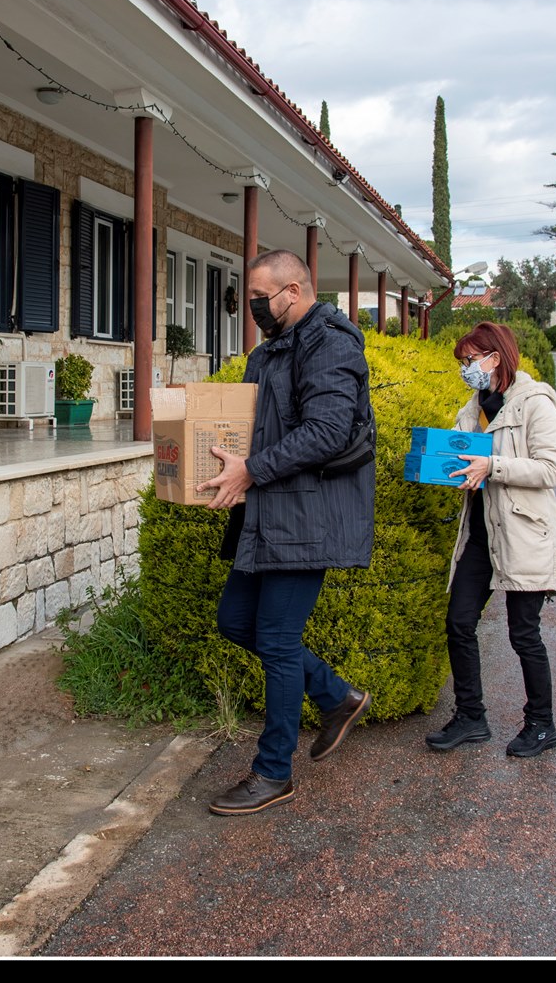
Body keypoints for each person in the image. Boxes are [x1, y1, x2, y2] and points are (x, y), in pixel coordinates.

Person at [197, 249, 375, 815]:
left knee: (275, 639)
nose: (252, 307)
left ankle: (273, 771)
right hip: (266, 515)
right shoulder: (269, 352)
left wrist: (252, 470)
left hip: (307, 517)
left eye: (260, 296)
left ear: (293, 292)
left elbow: (327, 431)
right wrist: (227, 468)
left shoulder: (332, 343)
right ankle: (334, 695)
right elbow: (255, 429)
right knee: (234, 621)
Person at [427, 322, 556, 758]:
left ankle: (542, 726)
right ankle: (471, 717)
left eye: (471, 360)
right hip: (481, 534)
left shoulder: (535, 401)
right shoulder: (474, 407)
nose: (466, 369)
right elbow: (465, 458)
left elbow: (550, 470)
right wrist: (448, 469)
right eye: (463, 362)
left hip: (524, 534)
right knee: (459, 622)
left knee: (524, 634)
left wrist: (494, 466)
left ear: (495, 358)